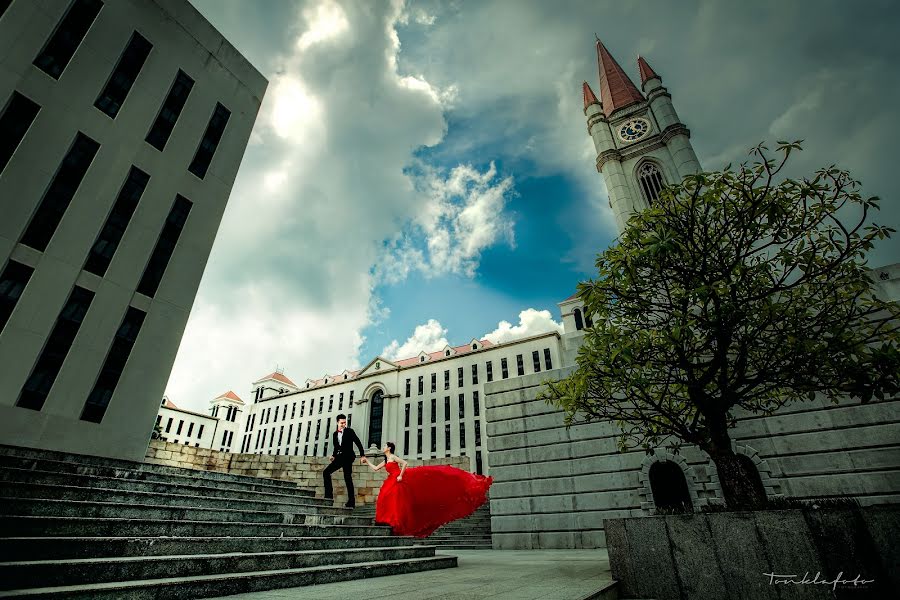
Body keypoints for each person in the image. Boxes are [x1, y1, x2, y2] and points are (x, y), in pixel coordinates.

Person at [362, 442, 493, 538]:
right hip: (391, 480)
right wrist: (367, 461)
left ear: (389, 448)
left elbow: (405, 463)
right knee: (384, 497)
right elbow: (374, 468)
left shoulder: (393, 457)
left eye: (385, 446)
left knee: (396, 500)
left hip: (398, 479)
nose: (383, 447)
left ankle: (394, 523)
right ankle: (386, 521)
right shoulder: (385, 460)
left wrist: (401, 475)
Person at [323, 414, 365, 508]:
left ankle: (351, 502)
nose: (343, 424)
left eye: (345, 422)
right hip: (339, 458)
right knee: (326, 472)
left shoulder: (350, 431)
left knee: (347, 478)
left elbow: (358, 442)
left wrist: (362, 455)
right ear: (337, 422)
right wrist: (333, 456)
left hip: (348, 457)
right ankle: (328, 497)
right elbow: (336, 447)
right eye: (342, 423)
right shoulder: (335, 434)